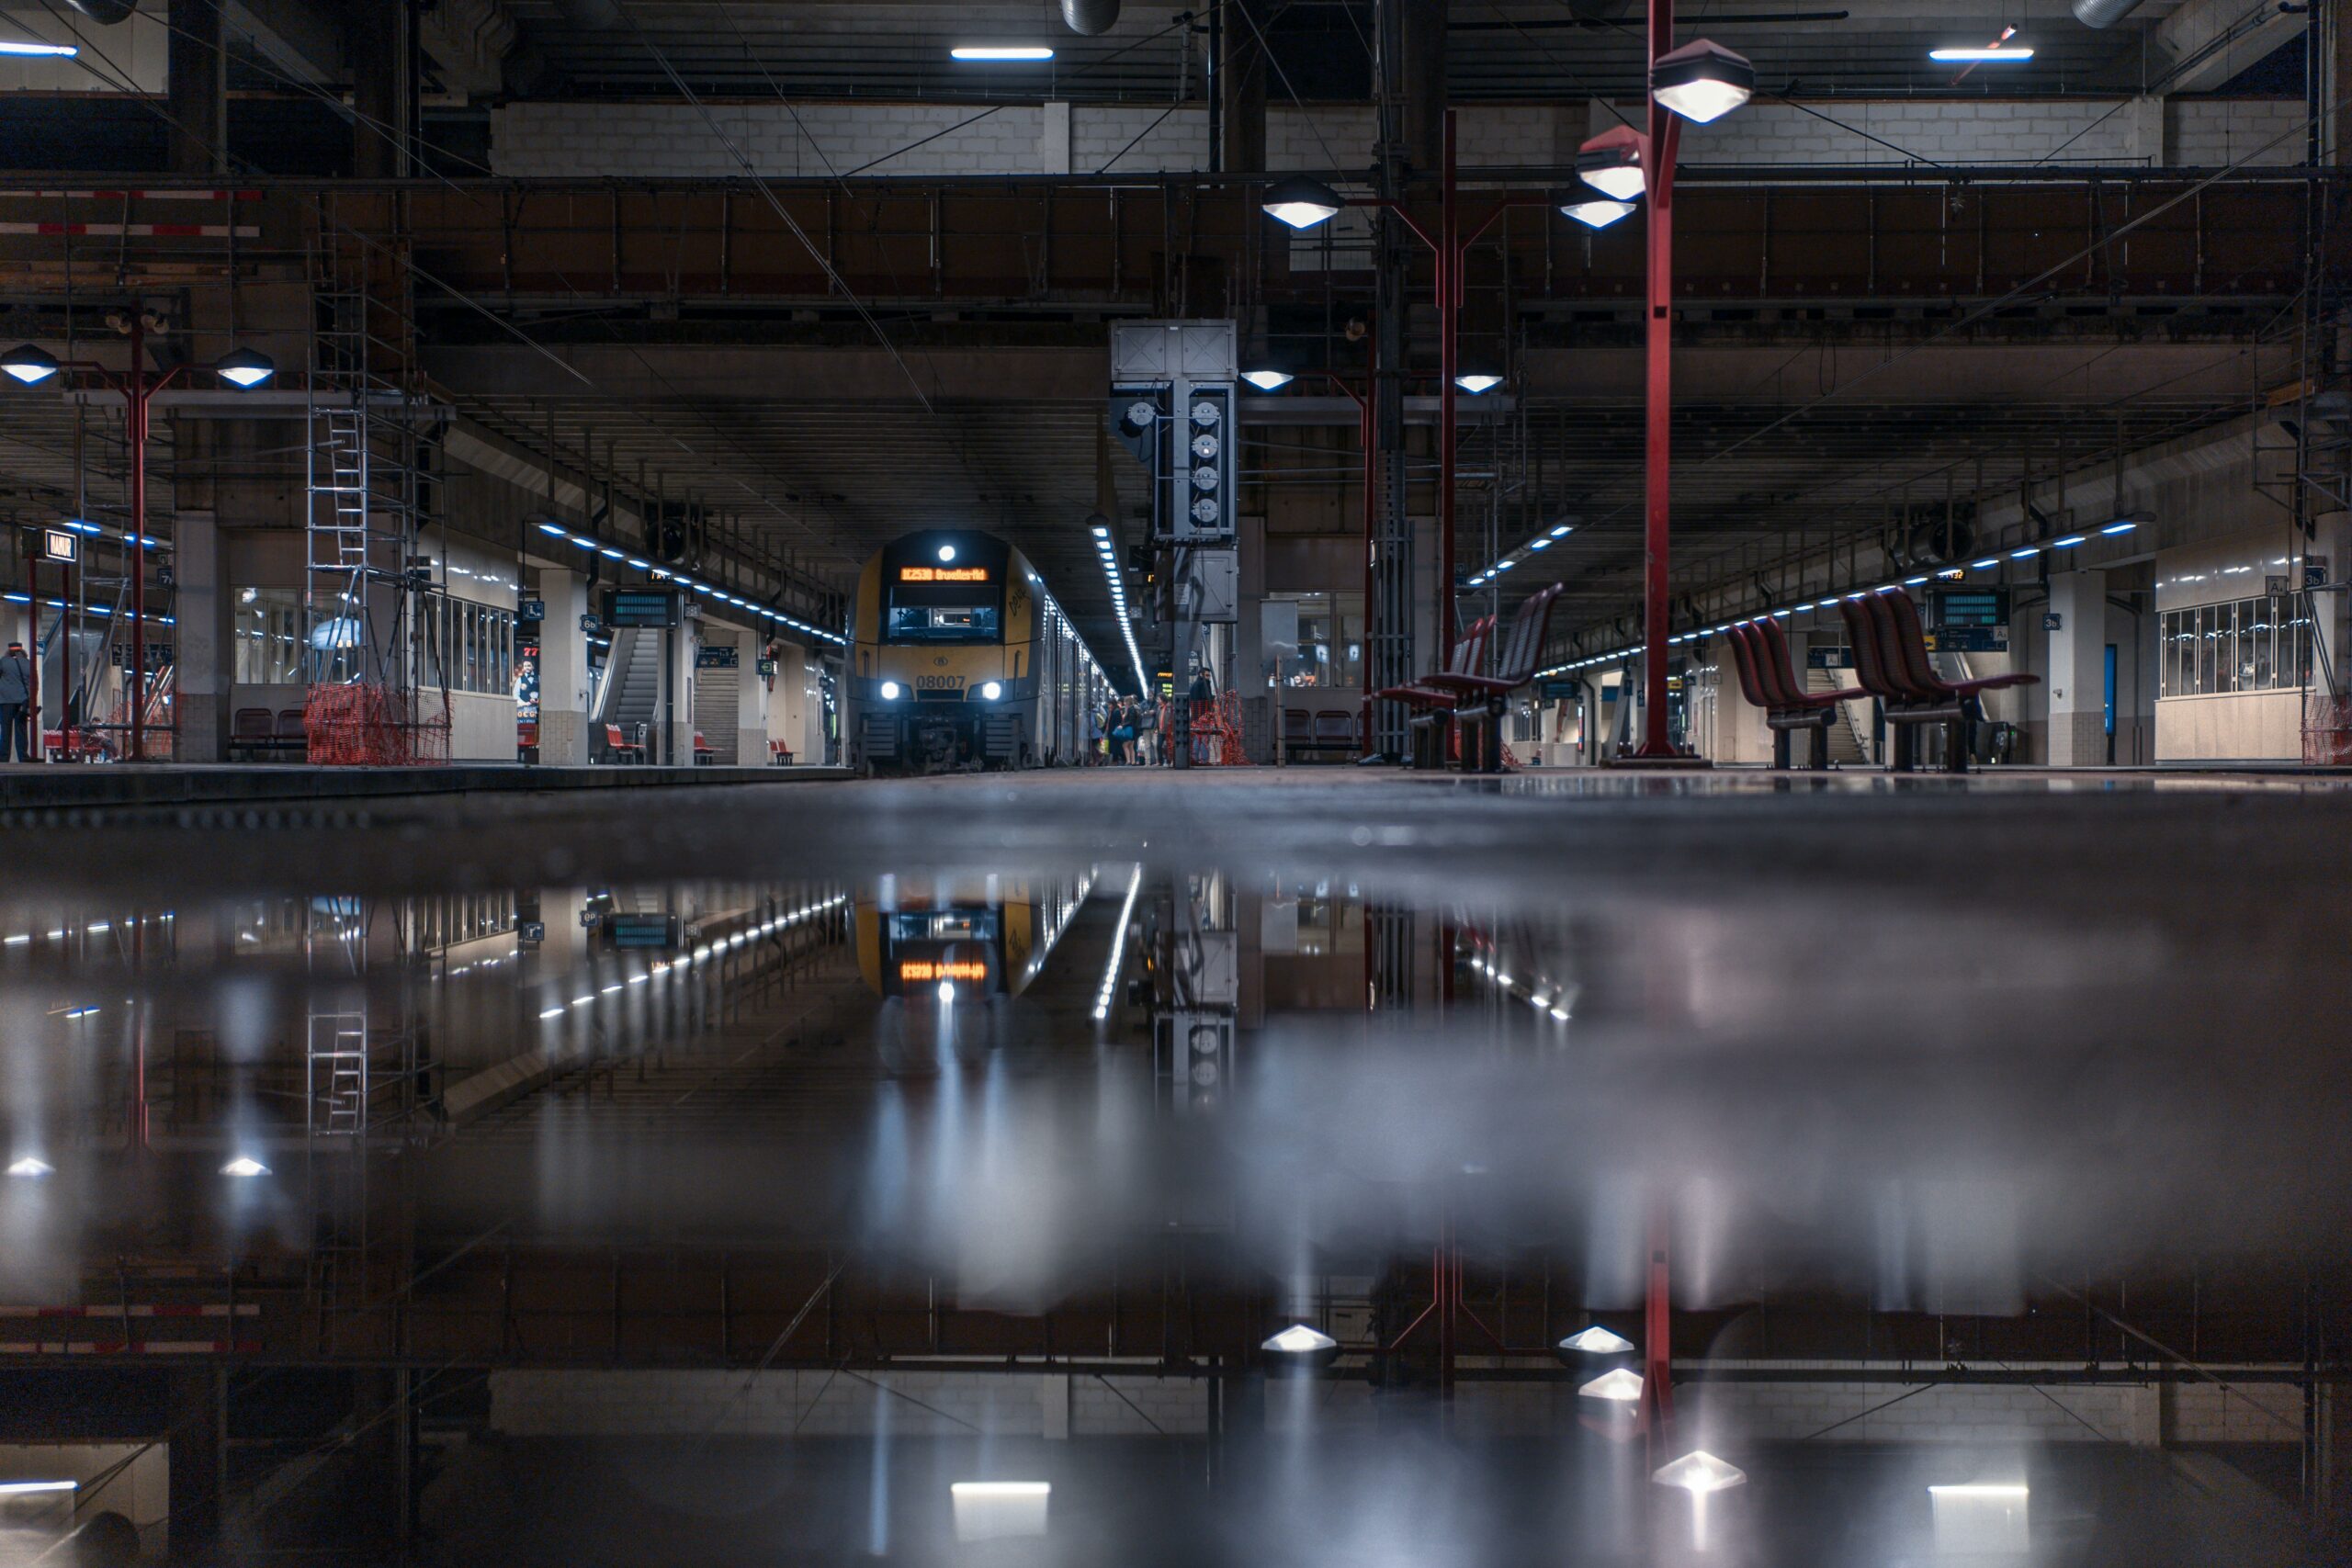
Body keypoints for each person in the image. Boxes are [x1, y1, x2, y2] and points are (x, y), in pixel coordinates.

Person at [0, 639, 32, 764]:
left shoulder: (3, 662)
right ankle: (23, 756)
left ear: (8, 651)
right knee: (21, 729)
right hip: (23, 701)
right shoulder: (28, 663)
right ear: (22, 651)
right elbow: (34, 682)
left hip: (5, 701)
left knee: (5, 730)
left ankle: (3, 758)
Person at [1186, 667, 1216, 765]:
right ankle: (1204, 760)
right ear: (1201, 675)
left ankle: (1194, 758)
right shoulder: (1204, 684)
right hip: (1204, 715)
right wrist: (1213, 698)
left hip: (1195, 715)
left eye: (1209, 676)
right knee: (1204, 738)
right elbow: (1205, 697)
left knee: (1197, 737)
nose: (1208, 678)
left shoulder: (1193, 685)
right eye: (1207, 675)